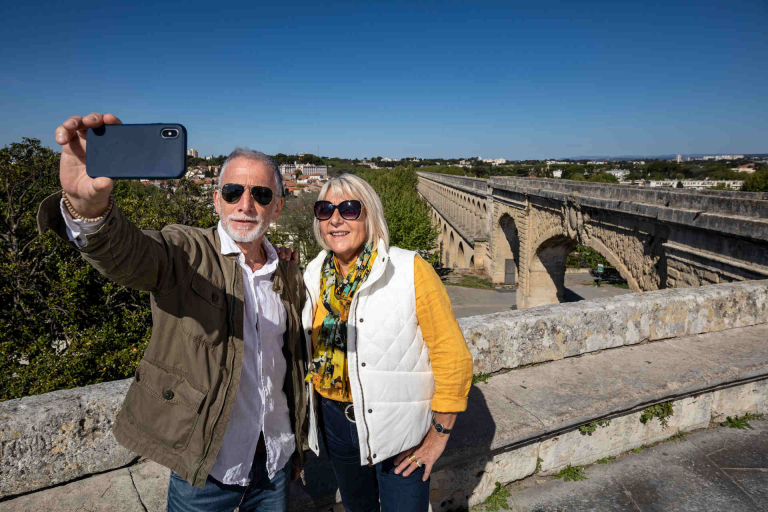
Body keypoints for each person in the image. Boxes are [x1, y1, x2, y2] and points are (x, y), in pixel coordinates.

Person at [38, 113, 308, 512]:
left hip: (275, 462)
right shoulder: (185, 251)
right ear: (216, 199)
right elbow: (130, 256)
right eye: (233, 192)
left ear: (278, 208)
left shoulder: (288, 272)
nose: (246, 205)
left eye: (262, 195)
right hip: (206, 469)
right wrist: (89, 212)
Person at [301, 174, 473, 511]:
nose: (335, 219)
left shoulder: (410, 269)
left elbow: (452, 356)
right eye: (325, 209)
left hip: (399, 432)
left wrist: (438, 435)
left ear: (371, 216)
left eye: (350, 209)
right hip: (335, 421)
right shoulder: (313, 273)